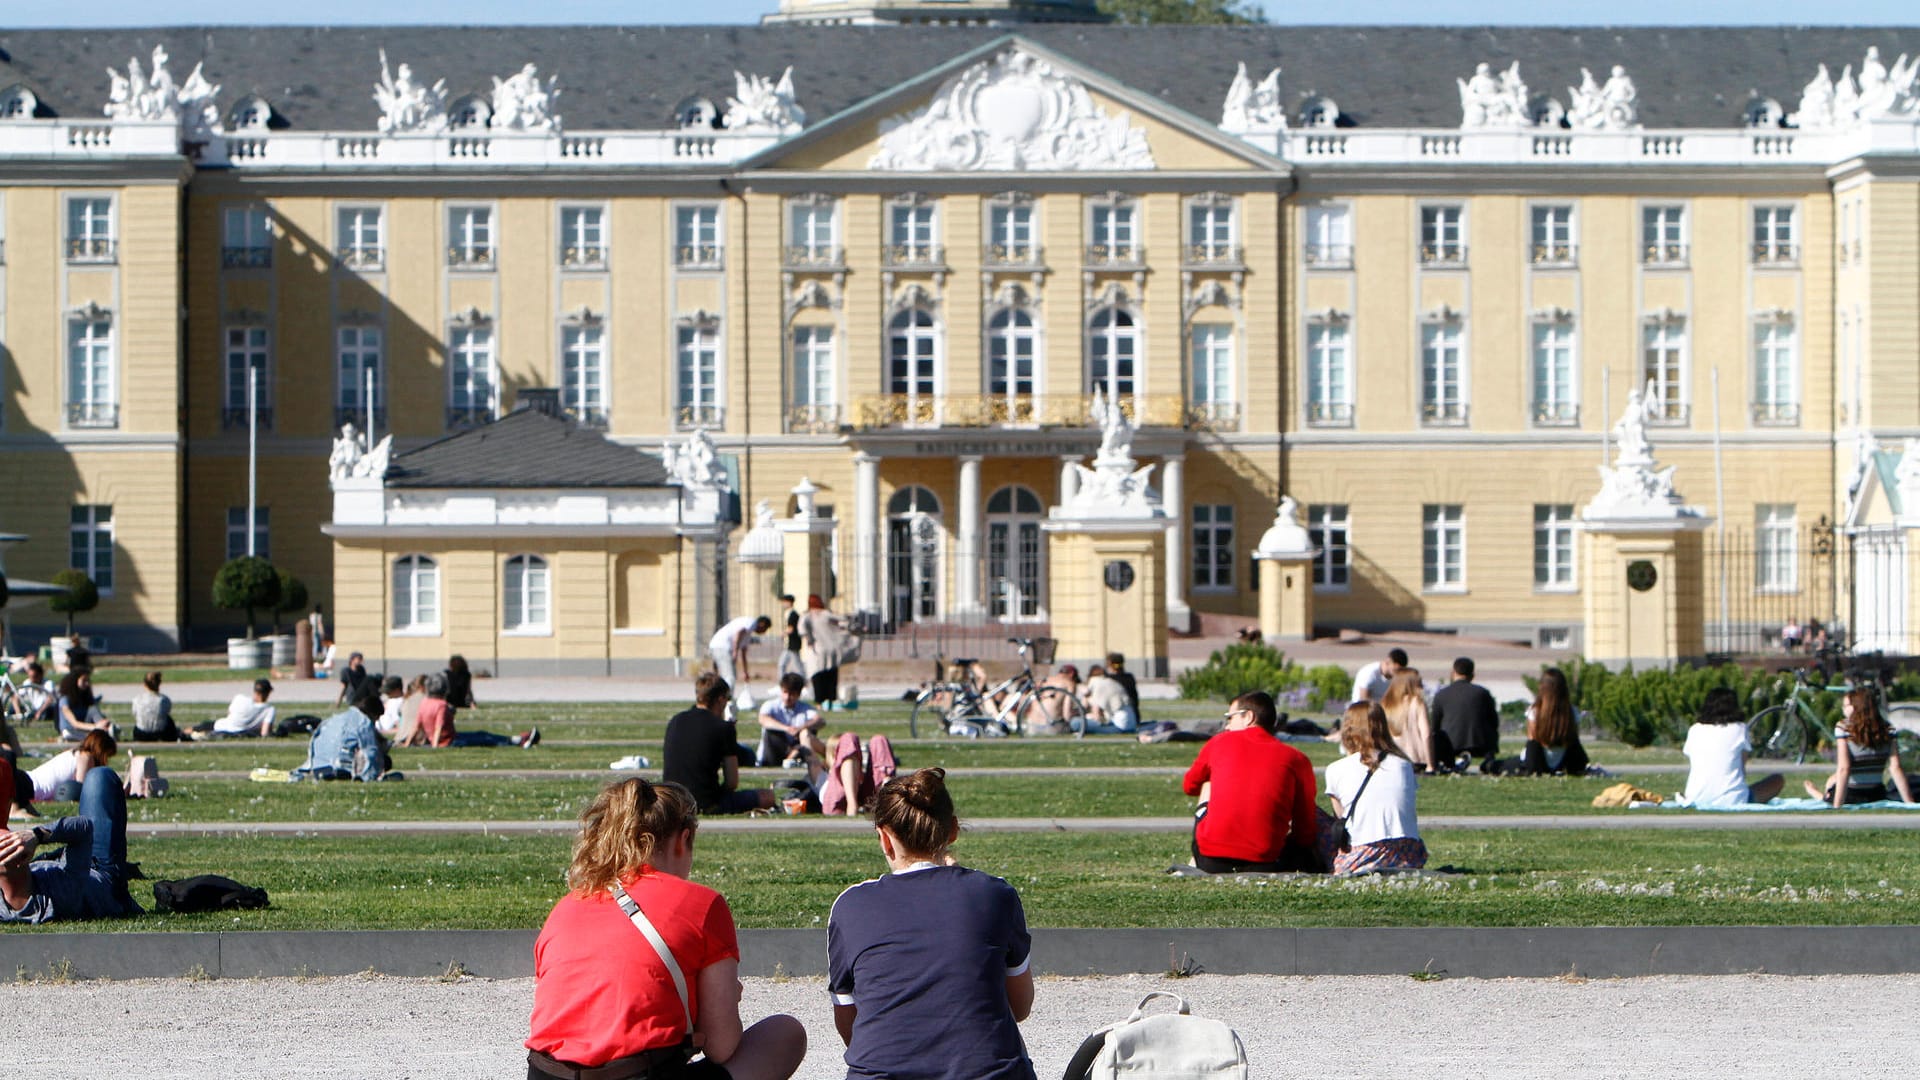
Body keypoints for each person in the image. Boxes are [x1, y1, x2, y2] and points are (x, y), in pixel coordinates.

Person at [526, 777, 807, 1080]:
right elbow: (721, 1047)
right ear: (682, 839)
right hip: (638, 1073)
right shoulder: (704, 904)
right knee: (785, 1034)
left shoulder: (567, 906)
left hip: (546, 1073)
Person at [827, 768, 1036, 1080]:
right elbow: (1019, 1007)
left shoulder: (849, 906)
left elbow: (852, 1027)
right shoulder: (995, 894)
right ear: (952, 831)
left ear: (884, 838)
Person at [1180, 691, 1319, 873]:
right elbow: (1305, 829)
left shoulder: (1218, 743)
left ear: (1249, 717)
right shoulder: (1296, 759)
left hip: (1211, 860)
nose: (1227, 726)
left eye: (1230, 718)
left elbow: (1190, 786)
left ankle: (1199, 855)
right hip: (1267, 861)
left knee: (1208, 781)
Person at [0, 755, 139, 924]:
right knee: (99, 778)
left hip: (63, 862)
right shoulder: (63, 891)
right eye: (12, 844)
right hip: (96, 870)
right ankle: (122, 897)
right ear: (21, 860)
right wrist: (37, 835)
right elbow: (83, 827)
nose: (14, 836)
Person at [1323, 702, 1427, 875]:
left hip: (1363, 851)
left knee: (1316, 818)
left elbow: (1341, 819)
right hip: (1408, 853)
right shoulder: (1404, 765)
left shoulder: (1336, 769)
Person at [664, 673, 776, 815]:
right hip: (707, 803)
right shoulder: (723, 728)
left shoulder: (676, 721)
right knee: (767, 796)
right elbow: (732, 782)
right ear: (721, 699)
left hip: (672, 801)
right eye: (727, 699)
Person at [1804, 689, 1916, 807]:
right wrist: (1910, 803)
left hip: (1852, 794)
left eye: (1846, 705)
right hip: (1876, 793)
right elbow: (1895, 768)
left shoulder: (1843, 728)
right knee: (1834, 778)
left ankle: (1818, 795)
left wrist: (1837, 807)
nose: (1843, 709)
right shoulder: (1888, 729)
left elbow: (1844, 768)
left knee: (1831, 781)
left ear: (1857, 707)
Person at [1682, 687, 1785, 807]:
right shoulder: (1740, 729)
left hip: (1695, 797)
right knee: (1778, 779)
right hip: (1732, 799)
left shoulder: (1695, 729)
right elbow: (1741, 768)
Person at [294, 689, 393, 782]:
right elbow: (371, 753)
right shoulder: (364, 723)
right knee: (386, 761)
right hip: (342, 769)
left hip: (318, 767)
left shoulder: (334, 719)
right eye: (376, 718)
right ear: (372, 713)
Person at [1506, 668, 1590, 776]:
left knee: (1502, 765)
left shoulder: (1535, 712)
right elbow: (1574, 737)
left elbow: (1532, 739)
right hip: (1564, 762)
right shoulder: (1572, 712)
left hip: (1536, 763)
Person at [415, 674, 538, 748]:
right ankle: (517, 741)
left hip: (449, 738)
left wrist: (407, 743)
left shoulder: (424, 702)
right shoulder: (441, 705)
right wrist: (435, 746)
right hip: (449, 741)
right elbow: (438, 727)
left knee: (481, 734)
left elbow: (417, 725)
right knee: (484, 739)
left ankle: (515, 740)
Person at [1429, 657, 1498, 772]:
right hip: (1480, 745)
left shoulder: (1442, 695)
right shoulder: (1482, 693)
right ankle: (1488, 759)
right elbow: (1494, 721)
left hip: (1451, 746)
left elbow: (1435, 725)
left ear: (1453, 672)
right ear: (1472, 674)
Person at [28, 731, 119, 806]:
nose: (106, 761)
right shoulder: (86, 757)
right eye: (107, 756)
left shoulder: (76, 753)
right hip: (35, 788)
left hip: (30, 781)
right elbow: (82, 789)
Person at [819, 732, 898, 817]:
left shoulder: (858, 773)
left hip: (870, 799)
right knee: (848, 738)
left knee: (879, 740)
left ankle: (886, 794)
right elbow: (811, 758)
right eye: (839, 752)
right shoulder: (822, 771)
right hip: (836, 802)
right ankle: (852, 805)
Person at [756, 673, 826, 768]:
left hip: (795, 745)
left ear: (799, 694)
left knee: (808, 731)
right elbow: (763, 719)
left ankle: (795, 755)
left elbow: (820, 721)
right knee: (771, 731)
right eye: (785, 692)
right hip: (775, 752)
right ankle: (793, 755)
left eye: (792, 694)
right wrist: (786, 728)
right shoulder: (771, 705)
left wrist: (800, 728)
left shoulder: (805, 708)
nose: (787, 697)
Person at [799, 595, 851, 708]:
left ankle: (819, 702)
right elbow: (843, 621)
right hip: (832, 648)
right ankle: (832, 699)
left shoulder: (808, 616)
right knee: (831, 675)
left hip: (817, 649)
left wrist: (809, 639)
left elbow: (801, 628)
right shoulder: (826, 614)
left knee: (818, 676)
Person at [1380, 668, 1435, 772]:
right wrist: (1430, 765)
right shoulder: (1417, 702)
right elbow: (1426, 734)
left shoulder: (1385, 704)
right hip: (1416, 759)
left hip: (1392, 760)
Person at [709, 615, 771, 699]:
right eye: (765, 629)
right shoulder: (751, 623)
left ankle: (719, 698)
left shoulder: (748, 634)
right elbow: (739, 633)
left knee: (725, 677)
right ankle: (726, 701)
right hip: (722, 646)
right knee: (729, 677)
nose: (763, 632)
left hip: (719, 646)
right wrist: (735, 651)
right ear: (762, 624)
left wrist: (745, 672)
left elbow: (743, 653)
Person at [195, 678, 277, 738]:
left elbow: (229, 714)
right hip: (237, 733)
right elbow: (264, 733)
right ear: (267, 693)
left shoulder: (240, 698)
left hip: (222, 725)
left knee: (200, 727)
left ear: (255, 691)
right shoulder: (269, 709)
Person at [1078, 664, 1138, 734]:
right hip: (1131, 725)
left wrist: (1085, 697)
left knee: (1075, 723)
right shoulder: (1111, 682)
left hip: (1119, 727)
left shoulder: (1095, 683)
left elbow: (1096, 717)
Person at [130, 670, 186, 743]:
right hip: (159, 733)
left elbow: (135, 714)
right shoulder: (164, 700)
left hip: (141, 733)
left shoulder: (137, 699)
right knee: (169, 721)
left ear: (144, 684)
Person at [57, 669, 112, 742]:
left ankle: (105, 730)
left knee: (93, 709)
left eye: (88, 681)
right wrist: (95, 727)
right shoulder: (64, 700)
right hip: (70, 731)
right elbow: (74, 723)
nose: (87, 684)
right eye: (84, 681)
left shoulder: (84, 698)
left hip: (85, 729)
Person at [443, 654, 479, 725]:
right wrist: (472, 703)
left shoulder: (446, 674)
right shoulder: (467, 675)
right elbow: (468, 691)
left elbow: (444, 690)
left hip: (449, 702)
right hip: (462, 702)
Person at [775, 594, 805, 680]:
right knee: (782, 664)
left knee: (797, 666)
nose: (783, 604)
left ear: (789, 602)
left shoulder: (793, 614)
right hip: (789, 645)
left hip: (793, 644)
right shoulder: (790, 614)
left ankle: (803, 681)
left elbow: (791, 629)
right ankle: (782, 682)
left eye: (784, 602)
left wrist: (783, 633)